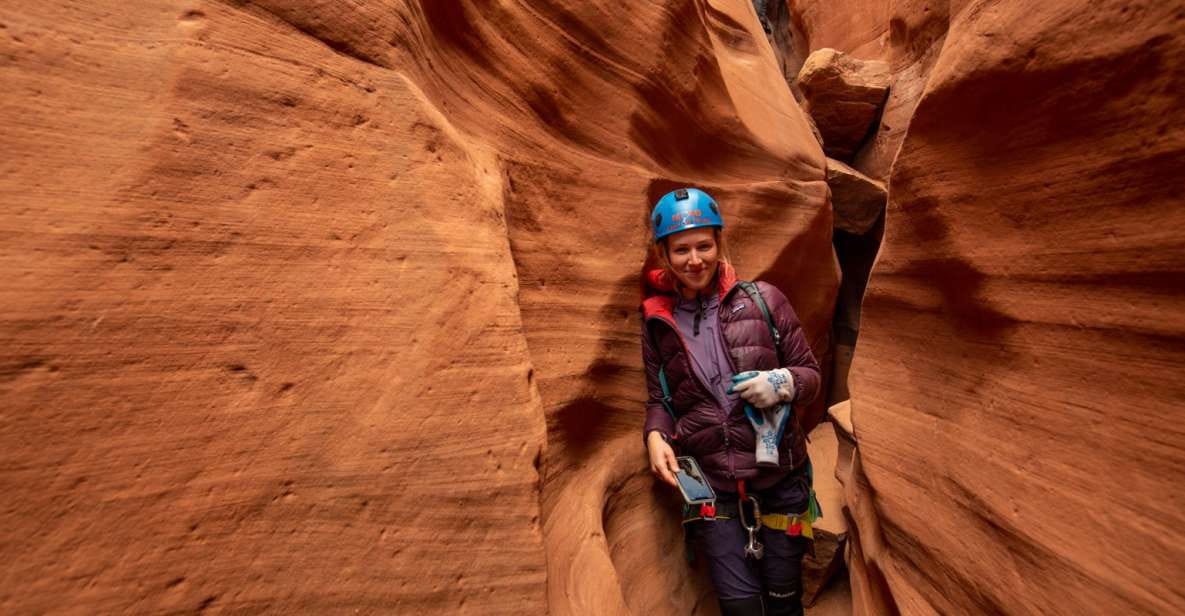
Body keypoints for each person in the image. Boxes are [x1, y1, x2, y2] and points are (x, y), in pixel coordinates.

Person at [641, 188, 822, 616]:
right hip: (711, 486)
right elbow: (660, 397)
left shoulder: (765, 300)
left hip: (780, 481)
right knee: (740, 608)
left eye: (704, 245)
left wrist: (780, 382)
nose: (695, 259)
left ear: (719, 243)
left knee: (783, 602)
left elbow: (810, 376)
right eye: (681, 249)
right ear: (664, 254)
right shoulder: (656, 322)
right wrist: (655, 434)